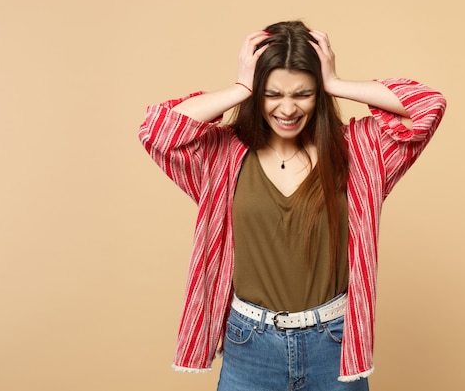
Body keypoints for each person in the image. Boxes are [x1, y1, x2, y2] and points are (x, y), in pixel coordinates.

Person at [139, 20, 446, 391]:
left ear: (318, 95)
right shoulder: (223, 155)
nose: (287, 108)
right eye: (272, 94)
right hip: (249, 343)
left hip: (333, 343)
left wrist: (334, 82)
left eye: (303, 93)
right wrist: (240, 87)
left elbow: (428, 105)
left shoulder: (359, 152)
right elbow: (157, 129)